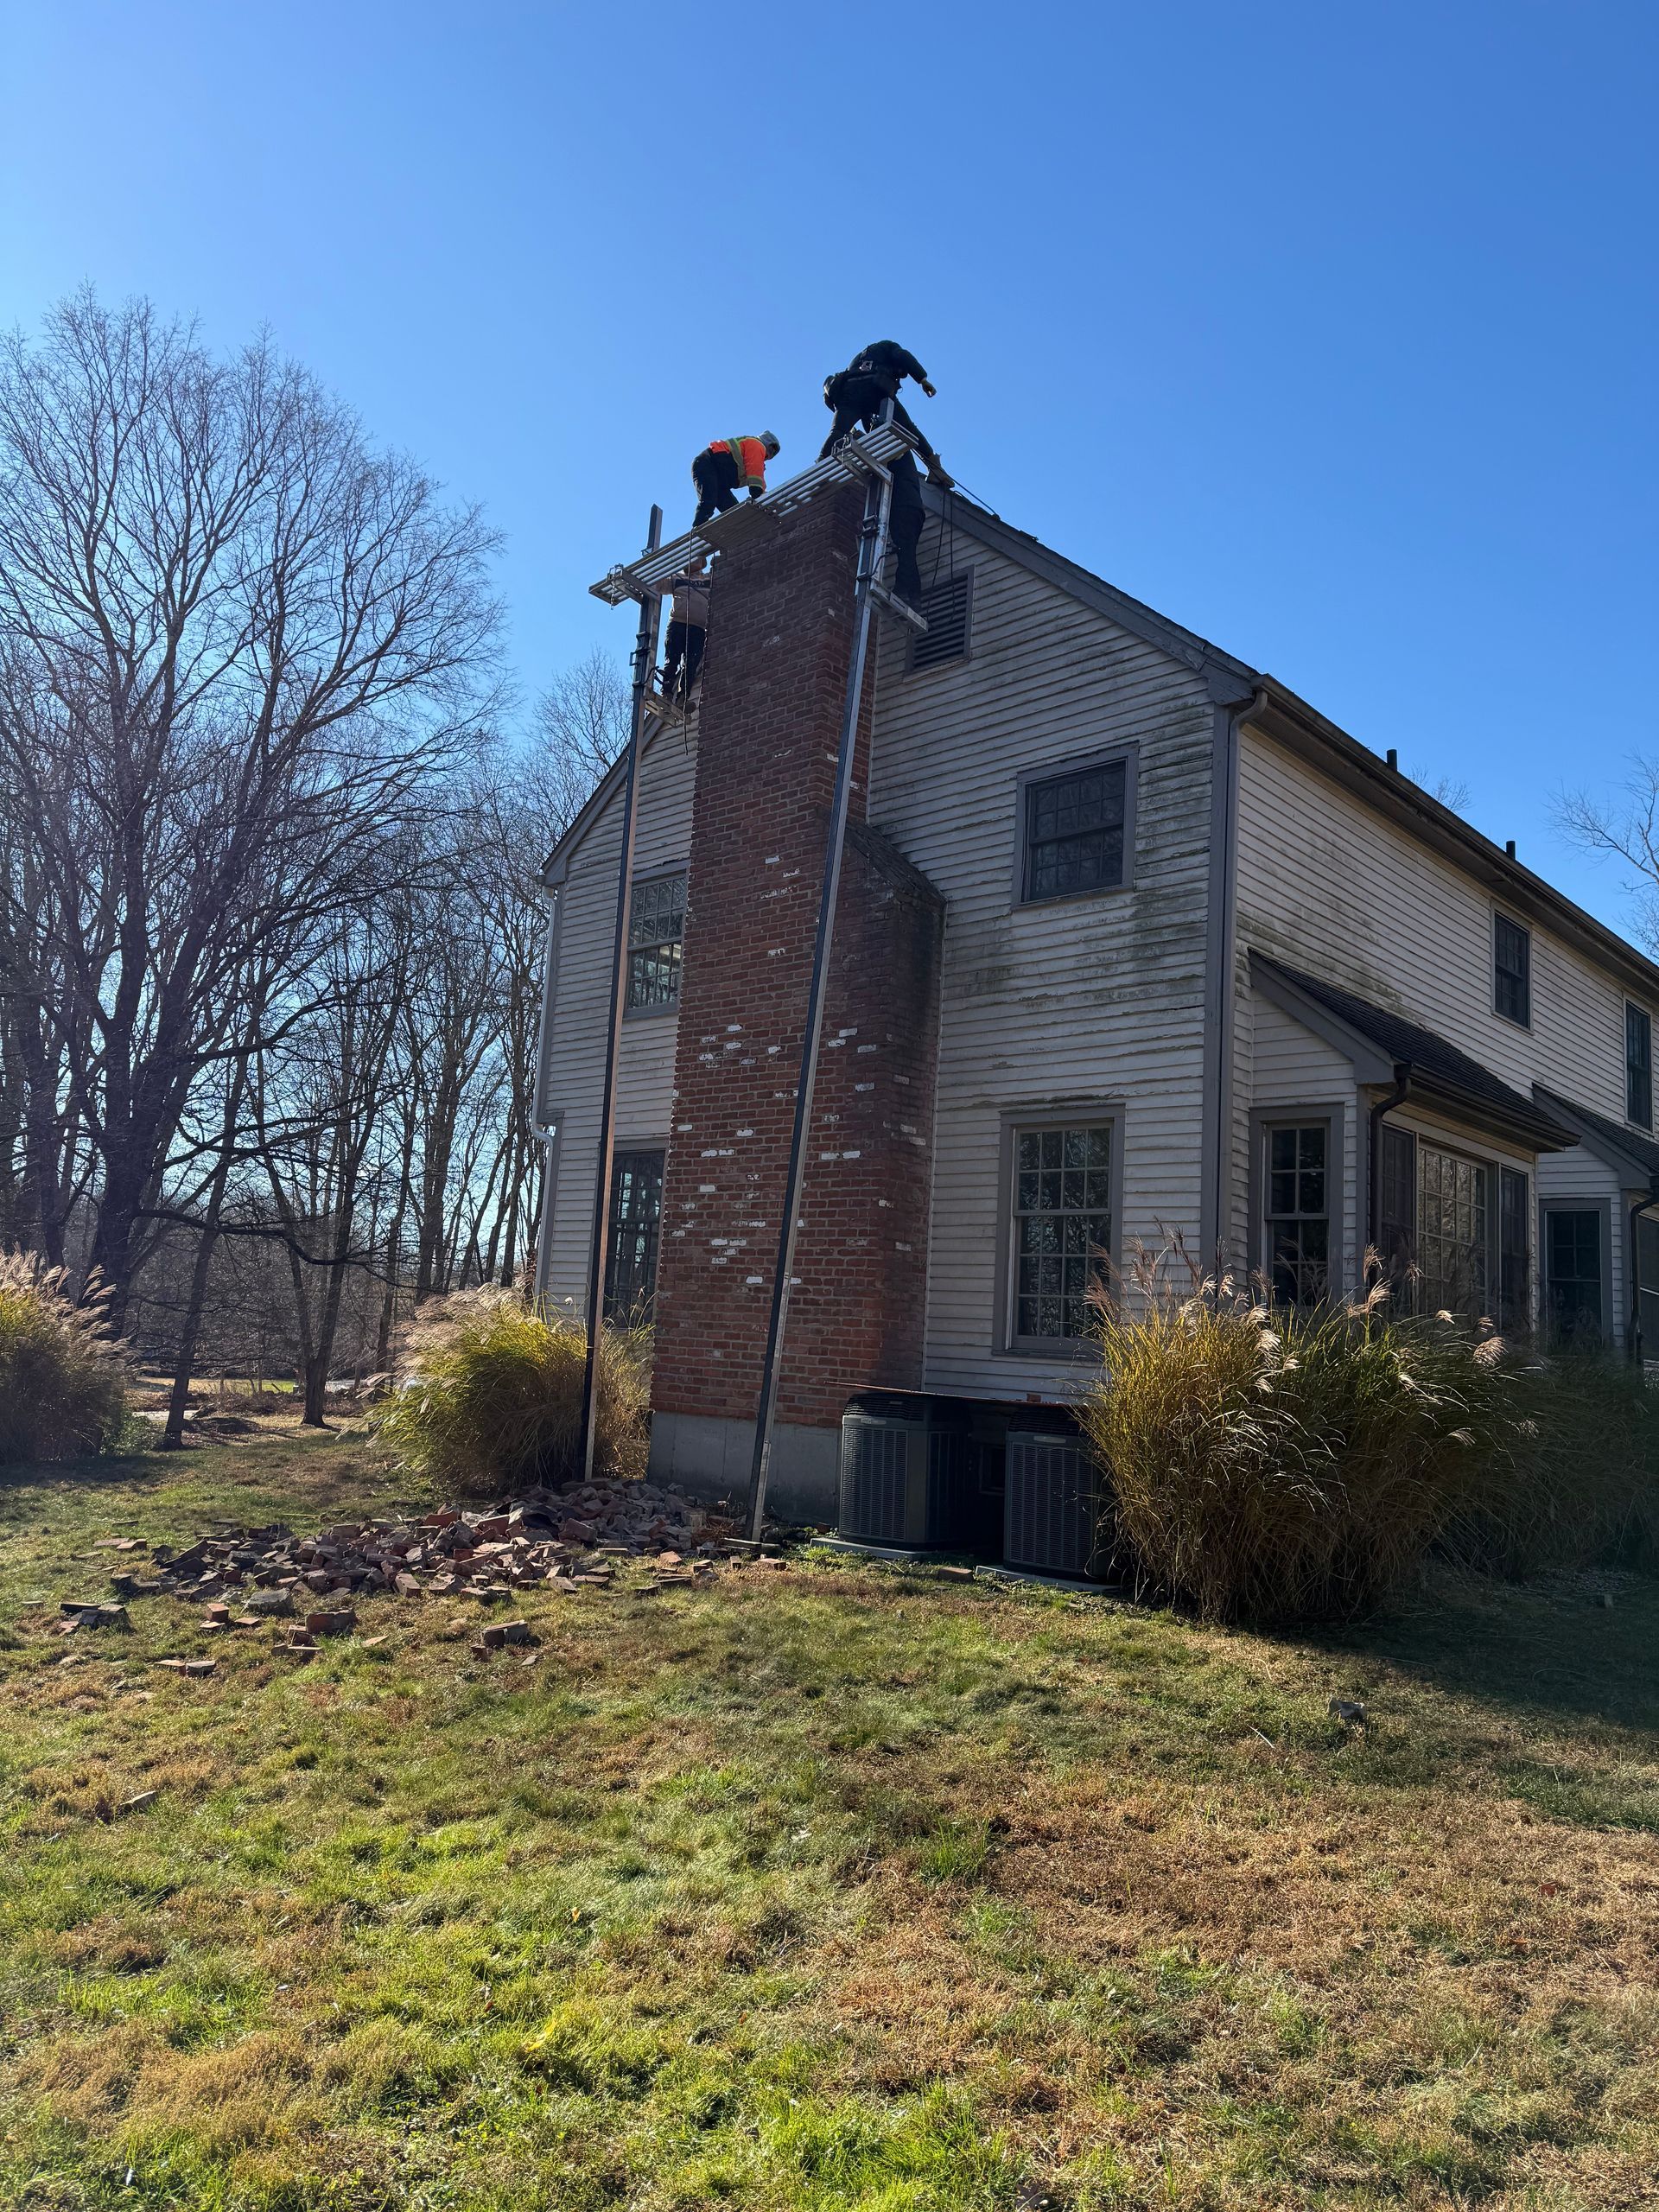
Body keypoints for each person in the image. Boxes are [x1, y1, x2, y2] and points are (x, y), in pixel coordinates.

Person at [818, 340, 953, 485]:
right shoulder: (890, 347)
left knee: (838, 431)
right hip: (875, 388)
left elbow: (866, 417)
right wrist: (923, 379)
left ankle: (820, 466)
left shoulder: (858, 360)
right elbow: (903, 355)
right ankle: (935, 467)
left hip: (849, 395)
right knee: (907, 427)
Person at [691, 432, 780, 527]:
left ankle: (742, 532)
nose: (771, 454)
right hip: (707, 463)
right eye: (771, 450)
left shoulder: (758, 461)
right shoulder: (757, 445)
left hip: (720, 480)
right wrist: (757, 494)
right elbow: (756, 484)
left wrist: (765, 502)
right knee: (708, 500)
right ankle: (697, 531)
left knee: (734, 513)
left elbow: (759, 484)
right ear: (768, 444)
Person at [660, 556, 709, 702]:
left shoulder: (709, 579)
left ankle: (683, 696)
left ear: (701, 563)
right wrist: (661, 569)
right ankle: (667, 693)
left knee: (691, 663)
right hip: (678, 623)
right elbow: (659, 586)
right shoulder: (676, 578)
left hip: (698, 628)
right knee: (672, 658)